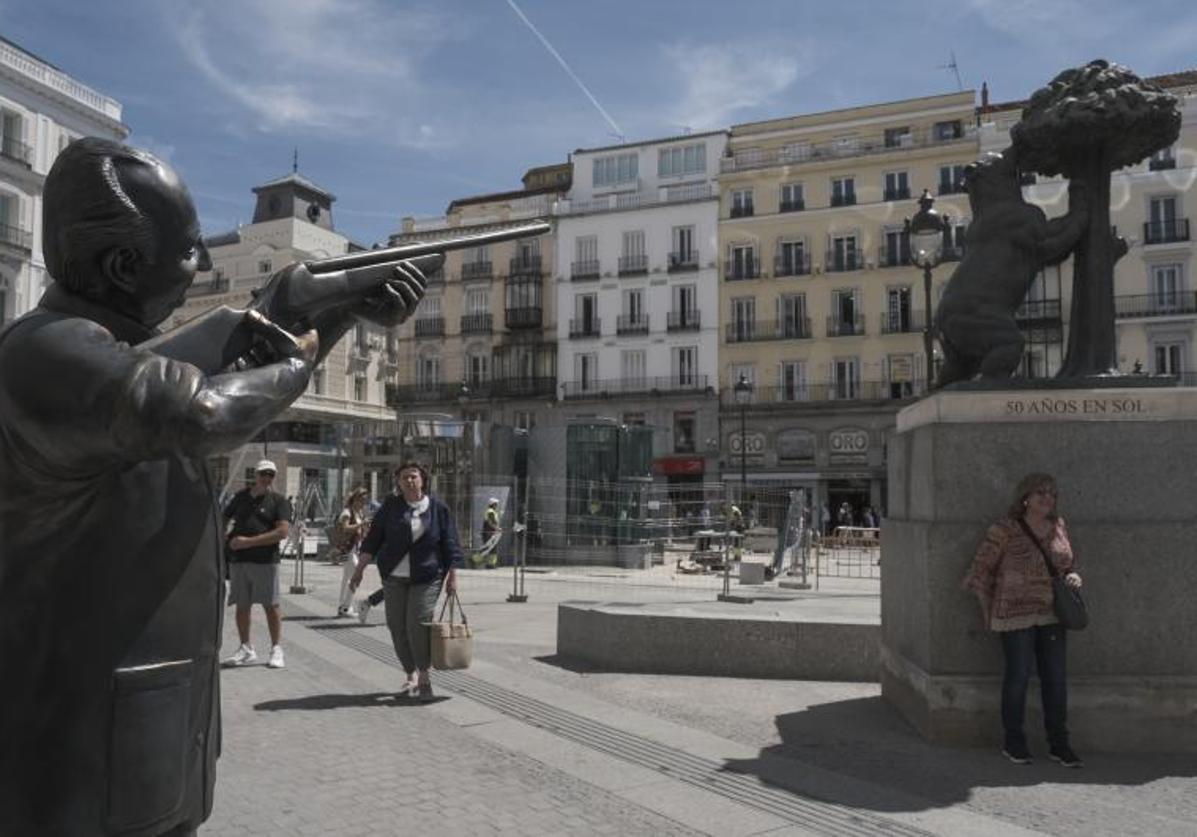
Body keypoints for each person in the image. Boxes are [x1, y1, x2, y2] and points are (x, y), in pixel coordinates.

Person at [0, 138, 313, 835]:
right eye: (188, 250)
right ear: (121, 264)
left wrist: (321, 310)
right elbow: (201, 413)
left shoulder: (108, 356)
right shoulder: (46, 349)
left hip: (154, 741)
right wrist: (294, 368)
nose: (201, 264)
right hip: (84, 763)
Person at [963, 472, 1084, 768]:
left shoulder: (1058, 527)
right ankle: (1014, 741)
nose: (1047, 498)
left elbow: (1067, 565)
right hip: (1014, 616)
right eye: (1040, 492)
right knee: (1017, 678)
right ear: (1025, 497)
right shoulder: (1005, 529)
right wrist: (988, 610)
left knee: (1055, 680)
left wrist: (1073, 576)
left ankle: (1059, 744)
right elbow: (979, 572)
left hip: (1052, 614)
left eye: (1052, 493)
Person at [350, 462, 463, 701]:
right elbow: (373, 540)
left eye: (413, 476)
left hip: (427, 575)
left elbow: (450, 543)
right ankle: (410, 673)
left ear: (423, 479)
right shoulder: (391, 507)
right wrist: (359, 569)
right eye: (404, 478)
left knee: (418, 624)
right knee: (396, 627)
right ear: (398, 483)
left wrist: (453, 575)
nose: (409, 481)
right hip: (394, 577)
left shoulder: (438, 508)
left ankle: (424, 676)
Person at [223, 460, 293, 669]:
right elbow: (223, 517)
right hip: (239, 562)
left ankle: (276, 649)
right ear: (255, 474)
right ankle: (246, 648)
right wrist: (224, 539)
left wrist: (247, 542)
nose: (267, 478)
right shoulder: (240, 497)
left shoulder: (279, 501)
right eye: (263, 473)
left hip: (265, 561)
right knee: (242, 605)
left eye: (271, 474)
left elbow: (282, 532)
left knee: (271, 605)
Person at [333, 487, 370, 616]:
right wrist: (360, 525)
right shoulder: (347, 512)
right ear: (355, 499)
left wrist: (364, 529)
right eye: (362, 500)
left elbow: (360, 531)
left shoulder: (358, 513)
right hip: (347, 549)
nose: (363, 503)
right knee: (355, 576)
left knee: (348, 578)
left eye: (365, 500)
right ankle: (345, 607)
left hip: (355, 549)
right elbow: (345, 528)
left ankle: (343, 606)